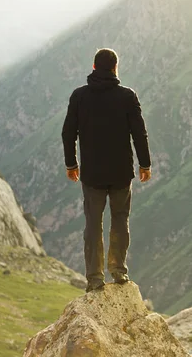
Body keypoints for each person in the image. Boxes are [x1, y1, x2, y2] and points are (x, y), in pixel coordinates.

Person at [61, 48, 151, 292]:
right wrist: (145, 163)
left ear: (93, 67)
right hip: (121, 172)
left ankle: (95, 278)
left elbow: (68, 132)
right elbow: (139, 133)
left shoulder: (79, 96)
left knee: (93, 224)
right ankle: (119, 270)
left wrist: (72, 164)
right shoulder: (127, 96)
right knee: (120, 220)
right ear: (115, 68)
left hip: (92, 175)